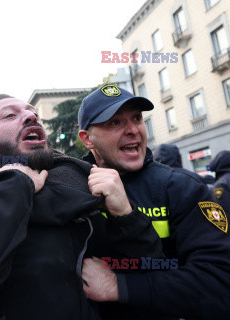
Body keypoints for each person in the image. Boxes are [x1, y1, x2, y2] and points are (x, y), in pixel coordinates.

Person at [0, 95, 161, 319]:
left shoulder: (84, 185)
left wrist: (125, 215)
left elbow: (150, 271)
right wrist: (13, 187)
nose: (30, 117)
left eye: (33, 112)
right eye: (9, 115)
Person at [77, 85, 230, 320]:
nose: (133, 130)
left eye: (137, 118)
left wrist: (118, 285)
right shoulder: (74, 189)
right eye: (115, 122)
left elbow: (219, 284)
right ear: (87, 139)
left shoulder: (183, 187)